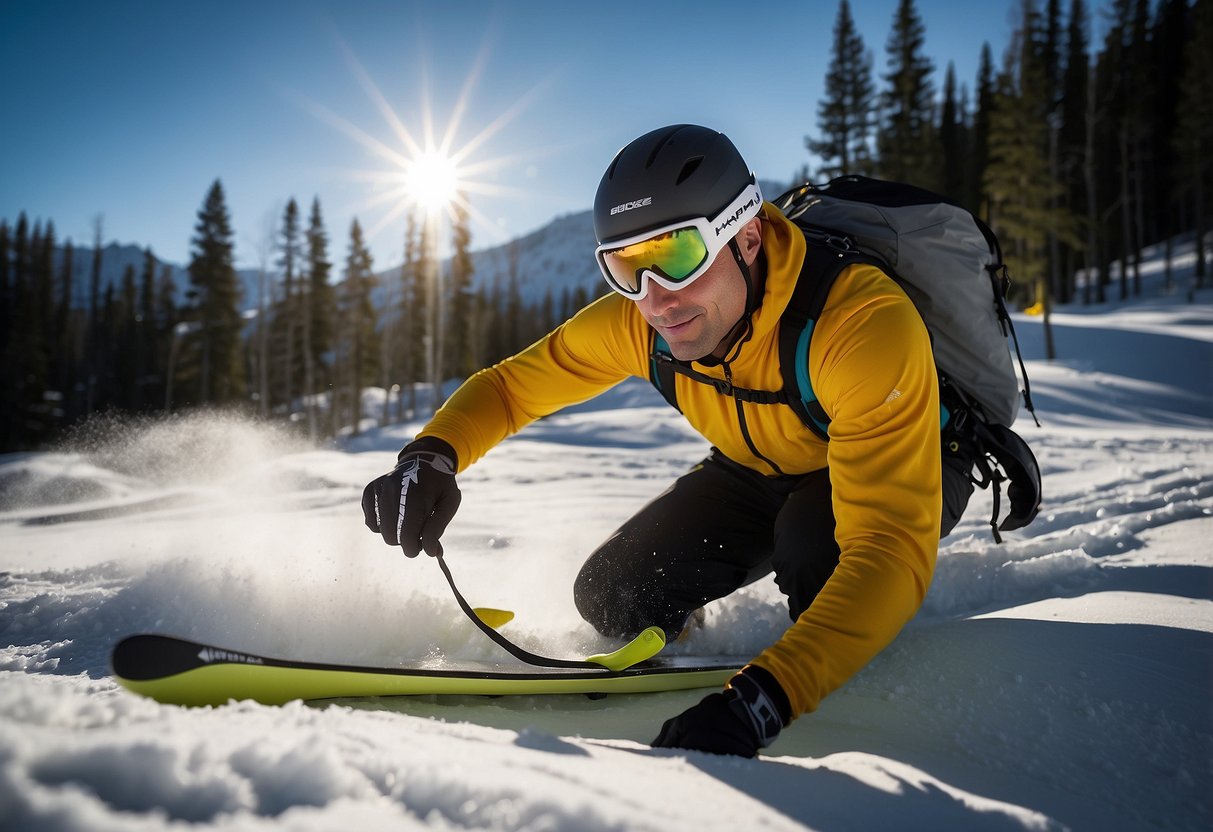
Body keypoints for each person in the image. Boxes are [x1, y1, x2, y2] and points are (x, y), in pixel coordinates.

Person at [362, 124, 975, 757]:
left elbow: (887, 550)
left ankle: (834, 640)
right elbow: (512, 388)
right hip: (757, 467)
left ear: (748, 235)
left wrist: (766, 697)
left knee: (819, 553)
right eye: (625, 266)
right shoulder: (641, 321)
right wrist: (432, 455)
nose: (655, 298)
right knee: (614, 595)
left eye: (678, 255)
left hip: (914, 458)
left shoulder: (859, 325)